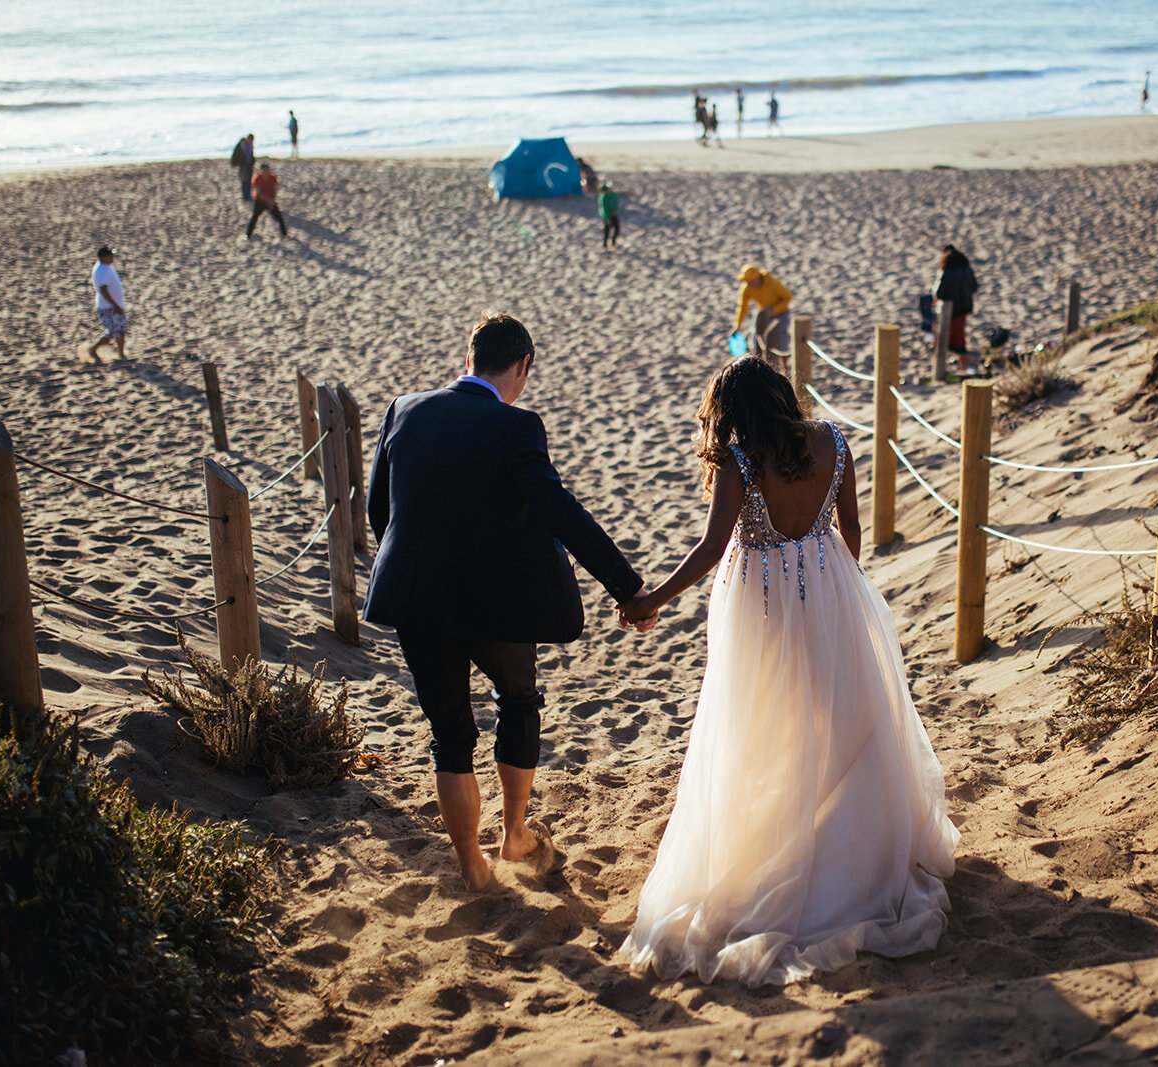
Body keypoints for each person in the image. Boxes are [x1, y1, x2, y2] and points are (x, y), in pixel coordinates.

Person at [616, 356, 957, 987]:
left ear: (732, 412)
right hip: (831, 584)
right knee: (842, 716)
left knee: (763, 726)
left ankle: (788, 845)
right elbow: (851, 530)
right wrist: (830, 591)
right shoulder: (832, 440)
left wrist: (651, 600)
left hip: (762, 603)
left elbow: (713, 547)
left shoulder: (740, 459)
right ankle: (850, 842)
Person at [363, 311, 650, 891]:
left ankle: (472, 866)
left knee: (450, 735)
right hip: (494, 603)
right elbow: (558, 509)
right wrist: (629, 588)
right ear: (521, 366)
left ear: (467, 358)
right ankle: (514, 835)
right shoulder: (517, 425)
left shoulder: (403, 408)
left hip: (418, 599)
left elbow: (378, 511)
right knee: (518, 701)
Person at [731, 265, 794, 372]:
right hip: (764, 314)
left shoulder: (773, 283)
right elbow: (743, 306)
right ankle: (758, 363)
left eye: (750, 281)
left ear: (757, 279)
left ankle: (785, 365)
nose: (748, 284)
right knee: (755, 335)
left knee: (781, 338)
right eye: (746, 281)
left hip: (780, 313)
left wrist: (774, 310)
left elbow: (788, 298)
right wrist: (738, 325)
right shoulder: (747, 288)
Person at [934, 245, 979, 375]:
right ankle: (963, 368)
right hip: (963, 309)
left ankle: (944, 370)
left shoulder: (947, 270)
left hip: (949, 310)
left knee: (946, 339)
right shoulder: (967, 268)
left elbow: (939, 292)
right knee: (960, 340)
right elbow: (975, 287)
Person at [87, 246, 128, 360]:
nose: (112, 257)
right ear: (103, 257)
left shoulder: (107, 267)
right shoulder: (102, 270)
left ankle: (121, 354)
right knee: (113, 332)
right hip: (108, 307)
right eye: (110, 255)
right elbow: (103, 290)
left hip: (114, 305)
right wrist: (114, 305)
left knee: (120, 330)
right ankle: (93, 349)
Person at [247, 162, 288, 239]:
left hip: (271, 201)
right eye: (264, 169)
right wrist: (269, 200)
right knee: (254, 218)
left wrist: (272, 201)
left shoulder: (273, 178)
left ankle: (284, 234)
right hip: (260, 201)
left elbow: (275, 190)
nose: (266, 171)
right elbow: (258, 193)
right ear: (261, 170)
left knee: (279, 218)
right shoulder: (257, 178)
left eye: (267, 169)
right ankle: (248, 235)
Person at [230, 133, 255, 201]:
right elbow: (235, 154)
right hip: (242, 165)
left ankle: (248, 195)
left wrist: (253, 161)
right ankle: (245, 196)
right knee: (244, 180)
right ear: (247, 138)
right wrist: (235, 163)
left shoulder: (250, 145)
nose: (250, 142)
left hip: (249, 165)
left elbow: (251, 154)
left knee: (249, 181)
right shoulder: (241, 144)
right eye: (250, 140)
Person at [598, 181, 620, 249]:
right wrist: (607, 219)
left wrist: (615, 210)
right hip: (607, 215)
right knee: (607, 230)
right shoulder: (603, 198)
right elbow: (603, 209)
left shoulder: (613, 194)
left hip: (613, 213)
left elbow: (616, 203)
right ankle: (605, 244)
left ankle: (613, 241)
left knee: (617, 228)